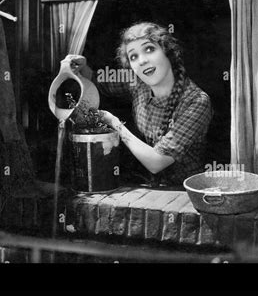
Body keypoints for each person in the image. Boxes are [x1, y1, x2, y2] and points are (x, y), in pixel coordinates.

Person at [65, 22, 213, 187]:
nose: (142, 61)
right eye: (133, 56)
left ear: (168, 53)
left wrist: (115, 124)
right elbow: (96, 81)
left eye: (149, 49)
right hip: (151, 188)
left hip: (186, 192)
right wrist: (82, 66)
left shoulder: (196, 101)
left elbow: (157, 162)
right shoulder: (137, 84)